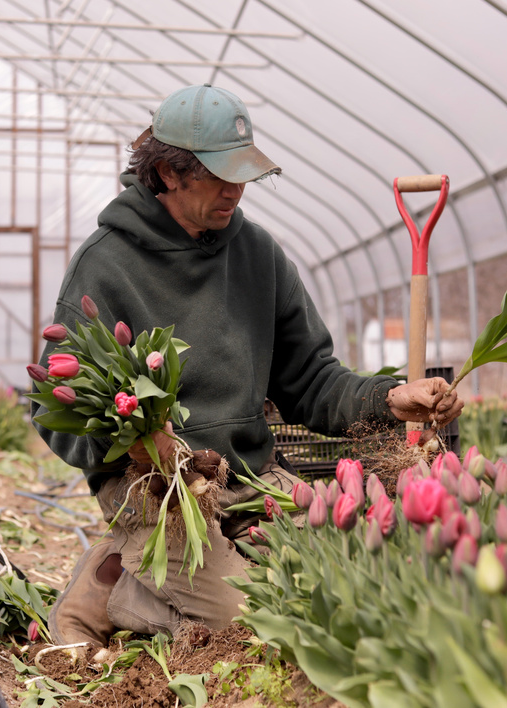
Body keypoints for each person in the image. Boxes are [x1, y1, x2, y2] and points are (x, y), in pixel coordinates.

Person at [32, 83, 463, 651]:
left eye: (242, 173)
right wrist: (135, 445)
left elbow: (312, 381)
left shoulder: (260, 256)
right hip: (160, 491)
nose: (236, 188)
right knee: (254, 619)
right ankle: (112, 585)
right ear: (166, 173)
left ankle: (177, 568)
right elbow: (53, 406)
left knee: (330, 586)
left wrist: (389, 399)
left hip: (250, 479)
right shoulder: (106, 266)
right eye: (218, 174)